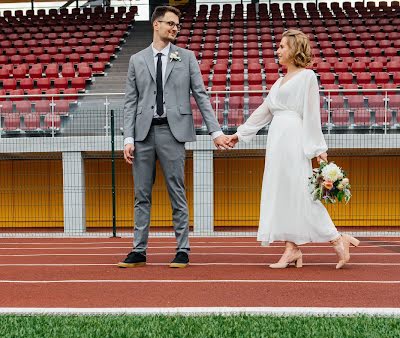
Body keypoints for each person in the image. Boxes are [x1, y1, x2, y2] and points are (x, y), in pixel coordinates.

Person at [226, 29, 359, 269]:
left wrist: (318, 148)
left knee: (302, 193)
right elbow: (263, 112)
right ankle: (292, 248)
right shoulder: (278, 82)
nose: (277, 50)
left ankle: (337, 239)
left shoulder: (307, 77)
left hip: (294, 140)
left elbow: (312, 114)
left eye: (282, 47)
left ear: (295, 50)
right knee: (282, 193)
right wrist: (239, 134)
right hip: (277, 142)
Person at [118, 6, 230, 269]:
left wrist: (215, 131)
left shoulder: (187, 57)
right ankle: (138, 251)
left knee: (176, 193)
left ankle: (182, 250)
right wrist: (128, 138)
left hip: (173, 132)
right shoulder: (136, 60)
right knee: (141, 195)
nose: (175, 28)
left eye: (177, 25)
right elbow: (130, 102)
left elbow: (201, 95)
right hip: (143, 135)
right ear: (156, 25)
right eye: (170, 24)